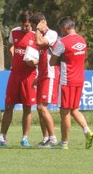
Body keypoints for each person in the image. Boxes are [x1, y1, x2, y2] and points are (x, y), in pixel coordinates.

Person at [0, 11, 38, 147]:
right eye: (23, 25)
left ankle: (25, 138)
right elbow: (10, 46)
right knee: (8, 106)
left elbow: (42, 56)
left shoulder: (36, 35)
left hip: (29, 76)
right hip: (15, 74)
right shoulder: (14, 32)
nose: (25, 28)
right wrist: (13, 58)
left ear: (31, 25)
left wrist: (35, 63)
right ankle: (2, 137)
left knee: (27, 108)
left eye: (27, 26)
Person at [50, 16, 93, 150]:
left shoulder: (62, 42)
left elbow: (52, 62)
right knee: (74, 109)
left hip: (67, 80)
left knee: (64, 113)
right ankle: (87, 131)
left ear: (64, 28)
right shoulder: (82, 40)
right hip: (80, 78)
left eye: (60, 29)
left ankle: (63, 144)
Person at [29, 12, 59, 148]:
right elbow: (42, 58)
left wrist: (37, 30)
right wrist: (38, 76)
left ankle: (53, 139)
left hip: (50, 75)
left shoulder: (52, 34)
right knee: (39, 108)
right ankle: (46, 138)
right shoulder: (40, 35)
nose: (33, 29)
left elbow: (39, 42)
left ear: (43, 22)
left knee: (42, 107)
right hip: (42, 75)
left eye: (34, 26)